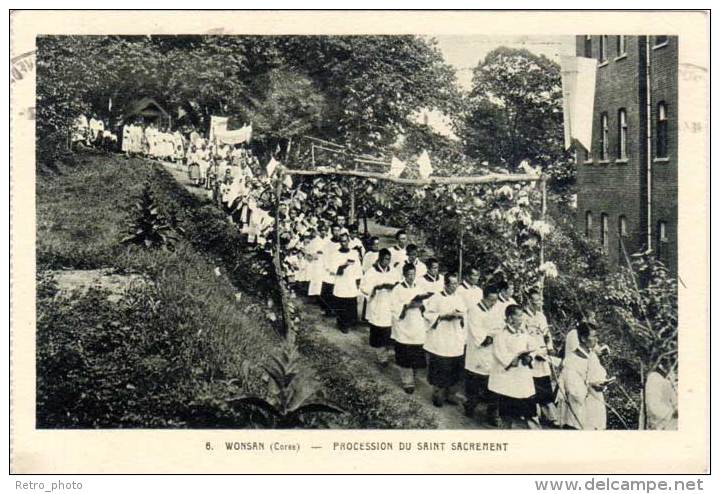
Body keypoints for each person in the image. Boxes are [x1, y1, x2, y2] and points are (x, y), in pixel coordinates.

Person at [488, 304, 537, 428]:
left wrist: (530, 357)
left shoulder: (524, 333)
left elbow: (534, 347)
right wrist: (513, 359)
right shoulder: (501, 335)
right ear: (510, 318)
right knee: (508, 410)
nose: (522, 318)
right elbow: (500, 354)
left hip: (523, 376)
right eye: (519, 315)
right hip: (508, 377)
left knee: (527, 407)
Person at [423, 272, 467, 407]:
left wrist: (460, 316)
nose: (454, 286)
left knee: (454, 368)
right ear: (445, 284)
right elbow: (427, 314)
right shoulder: (436, 298)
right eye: (452, 283)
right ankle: (438, 394)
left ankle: (450, 394)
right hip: (441, 338)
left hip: (455, 337)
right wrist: (442, 317)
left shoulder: (459, 298)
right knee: (441, 367)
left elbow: (464, 314)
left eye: (456, 283)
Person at [556, 322, 611, 430]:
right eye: (593, 336)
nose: (596, 340)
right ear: (583, 339)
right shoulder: (571, 361)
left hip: (595, 406)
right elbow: (574, 392)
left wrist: (602, 384)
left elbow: (599, 374)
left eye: (597, 336)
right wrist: (591, 385)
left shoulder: (592, 356)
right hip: (580, 412)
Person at [463, 283, 503, 423]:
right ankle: (470, 406)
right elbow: (480, 337)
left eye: (495, 300)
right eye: (491, 300)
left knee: (493, 385)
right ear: (484, 298)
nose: (493, 303)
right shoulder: (475, 311)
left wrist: (493, 335)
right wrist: (492, 336)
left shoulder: (495, 311)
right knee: (474, 384)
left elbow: (501, 329)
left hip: (492, 355)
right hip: (477, 354)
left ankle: (492, 414)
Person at [390, 264, 430, 393]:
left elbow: (426, 306)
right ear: (404, 275)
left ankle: (413, 375)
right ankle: (407, 381)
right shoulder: (398, 289)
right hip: (404, 324)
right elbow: (394, 307)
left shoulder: (419, 288)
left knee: (417, 353)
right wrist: (406, 306)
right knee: (405, 354)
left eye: (413, 274)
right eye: (409, 275)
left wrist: (421, 304)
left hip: (417, 324)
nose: (411, 277)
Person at [524, 288, 558, 426]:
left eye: (540, 299)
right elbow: (523, 337)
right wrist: (533, 353)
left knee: (544, 383)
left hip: (543, 355)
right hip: (530, 354)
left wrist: (549, 347)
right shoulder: (524, 317)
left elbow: (546, 334)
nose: (540, 302)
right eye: (537, 300)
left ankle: (550, 416)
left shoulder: (541, 316)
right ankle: (532, 415)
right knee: (531, 386)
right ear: (529, 301)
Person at [360, 249, 397, 362]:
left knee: (389, 329)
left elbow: (398, 283)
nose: (388, 261)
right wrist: (375, 288)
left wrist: (393, 286)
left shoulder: (393, 271)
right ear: (380, 259)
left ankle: (386, 351)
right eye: (386, 259)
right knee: (378, 329)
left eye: (389, 259)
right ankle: (381, 355)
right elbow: (363, 287)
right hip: (377, 303)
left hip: (389, 303)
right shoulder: (371, 272)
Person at [330, 233, 363, 333]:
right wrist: (344, 265)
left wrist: (358, 281)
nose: (344, 243)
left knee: (351, 302)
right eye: (342, 241)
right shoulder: (335, 254)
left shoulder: (354, 253)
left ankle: (351, 321)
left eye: (346, 241)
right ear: (340, 242)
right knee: (341, 303)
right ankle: (342, 324)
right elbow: (334, 270)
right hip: (341, 282)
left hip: (351, 282)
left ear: (349, 241)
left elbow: (358, 269)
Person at [644, 359, 678, 430]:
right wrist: (672, 413)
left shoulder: (667, 379)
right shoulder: (655, 378)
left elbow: (674, 401)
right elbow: (654, 404)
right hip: (662, 425)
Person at [319, 224, 343, 317]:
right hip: (329, 270)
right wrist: (329, 269)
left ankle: (336, 310)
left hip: (339, 270)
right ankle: (327, 309)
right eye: (334, 230)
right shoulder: (328, 244)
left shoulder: (342, 243)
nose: (336, 232)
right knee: (328, 289)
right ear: (332, 232)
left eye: (338, 230)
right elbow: (324, 258)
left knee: (338, 289)